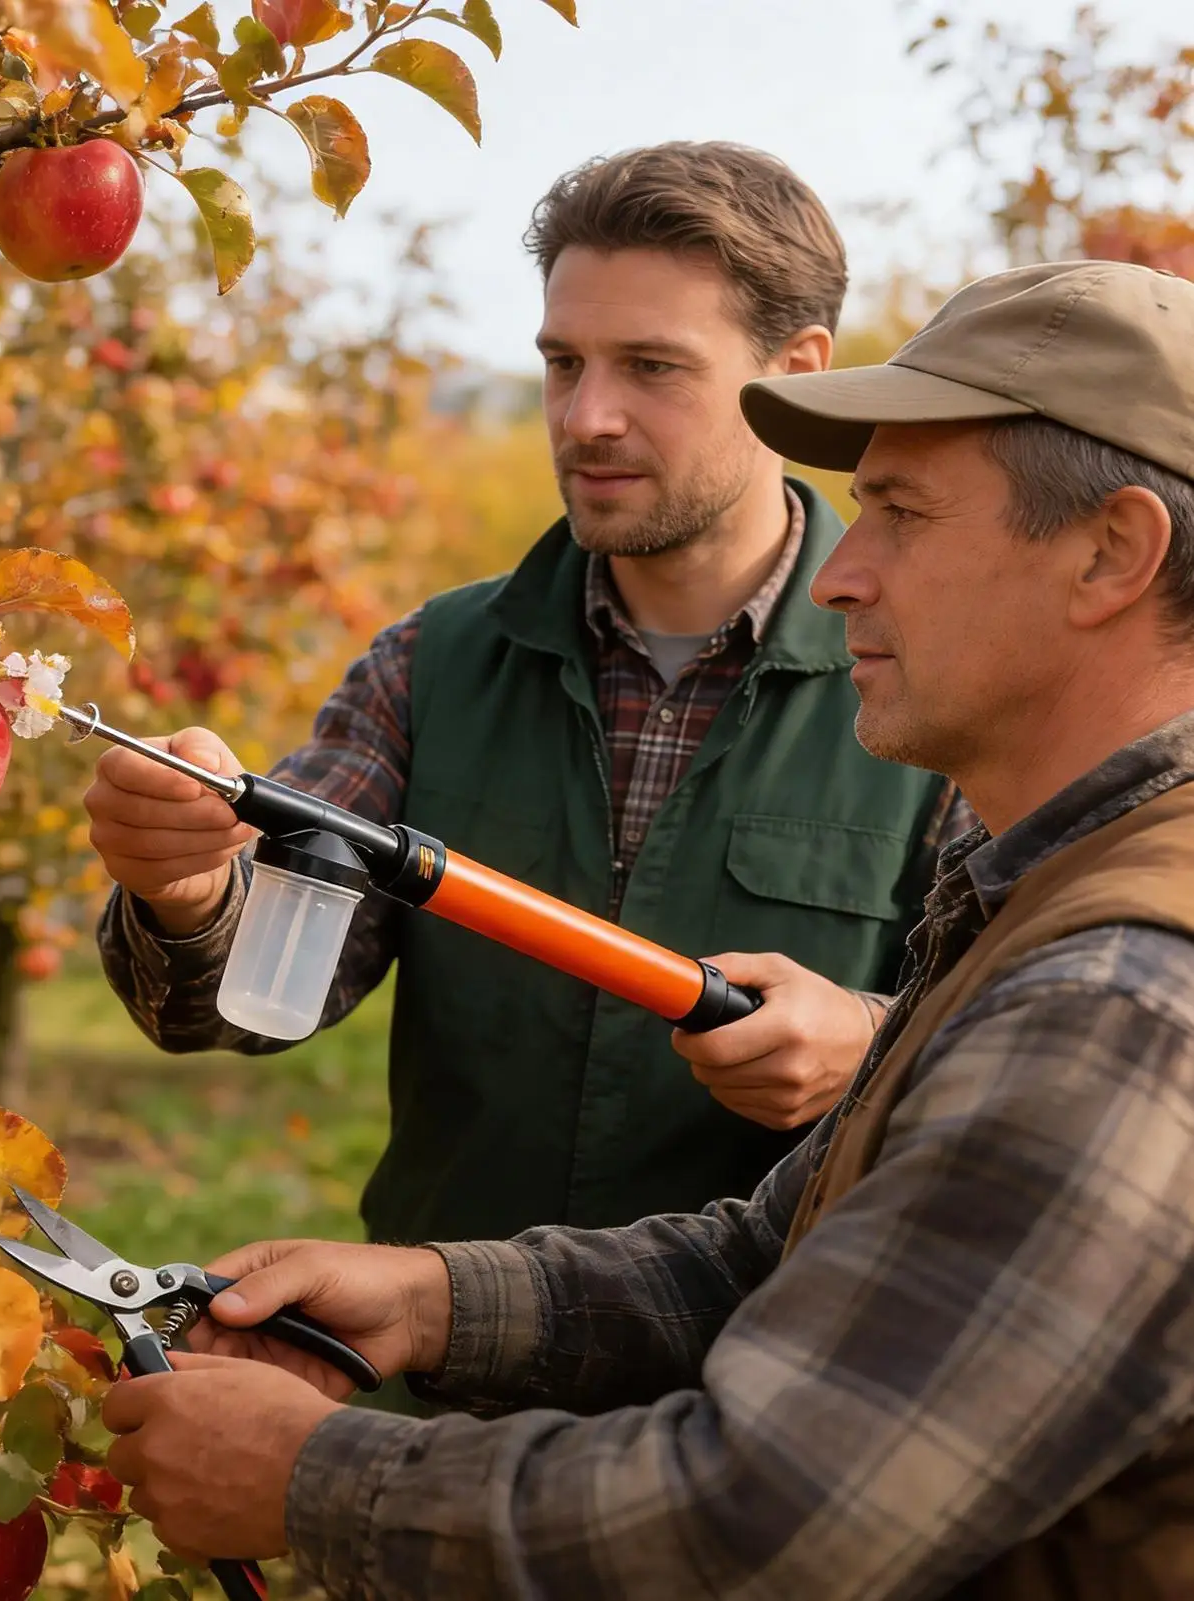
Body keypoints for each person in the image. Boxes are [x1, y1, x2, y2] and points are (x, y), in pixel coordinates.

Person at [100, 258, 1194, 1599]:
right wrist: (433, 1298)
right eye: (562, 364)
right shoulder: (1047, 878)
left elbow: (776, 1524)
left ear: (1111, 551)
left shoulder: (1123, 996)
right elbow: (762, 1252)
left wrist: (312, 1477)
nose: (848, 576)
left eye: (902, 514)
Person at [87, 142, 968, 1258]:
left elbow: (1037, 1029)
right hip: (430, 1367)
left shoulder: (934, 687)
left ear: (792, 372)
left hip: (750, 1392)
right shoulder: (432, 663)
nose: (585, 415)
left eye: (650, 366)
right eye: (562, 362)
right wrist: (184, 886)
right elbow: (233, 1002)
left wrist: (876, 1037)